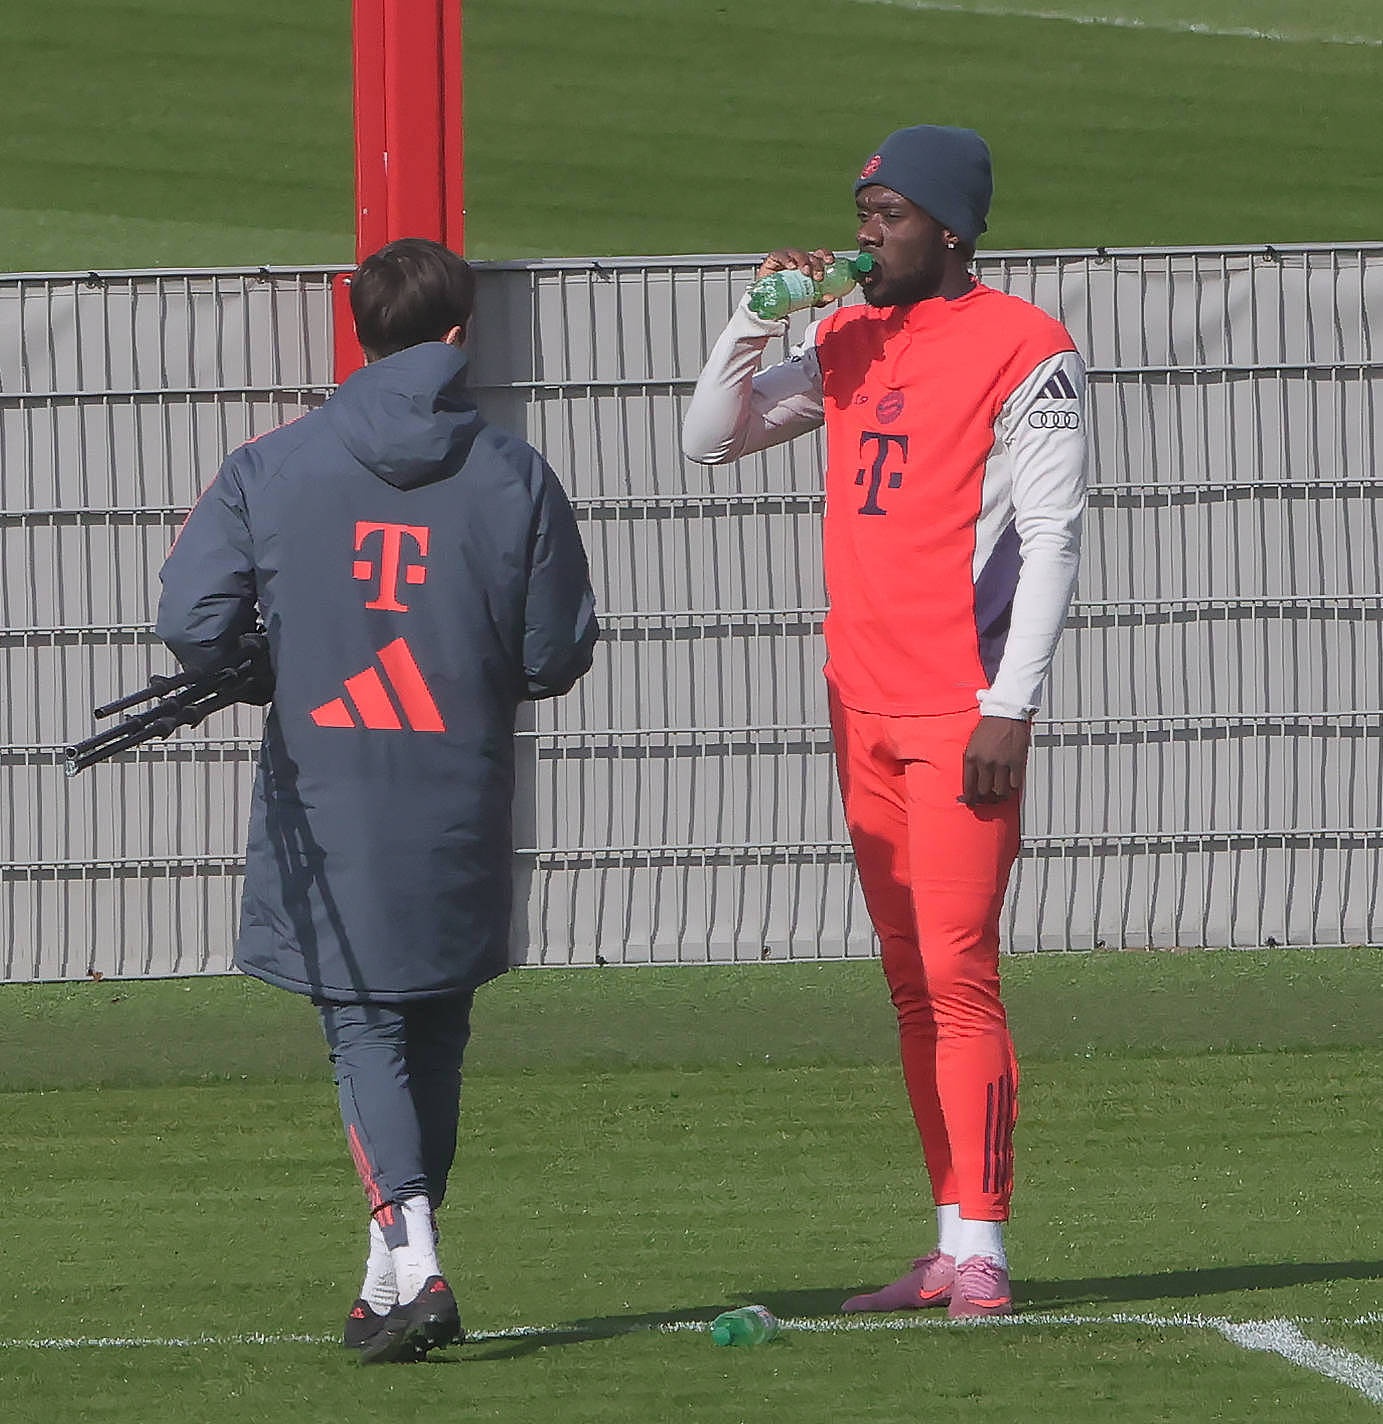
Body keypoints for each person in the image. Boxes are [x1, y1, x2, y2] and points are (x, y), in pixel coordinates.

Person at [156, 238, 599, 1362]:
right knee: (435, 1024)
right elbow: (554, 653)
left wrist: (271, 659)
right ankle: (387, 1281)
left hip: (329, 793)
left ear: (359, 333)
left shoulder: (271, 463)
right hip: (457, 787)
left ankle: (418, 1262)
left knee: (362, 1023)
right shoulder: (514, 472)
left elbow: (193, 622)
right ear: (457, 334)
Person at [681, 125, 1086, 1318]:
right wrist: (753, 318)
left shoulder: (1029, 347)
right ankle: (949, 1236)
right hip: (858, 700)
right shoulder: (848, 336)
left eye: (888, 213)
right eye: (862, 210)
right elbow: (708, 439)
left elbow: (1052, 537)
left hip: (962, 707)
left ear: (951, 228)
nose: (864, 233)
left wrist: (1012, 704)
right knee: (910, 978)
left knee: (960, 971)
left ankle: (986, 1245)